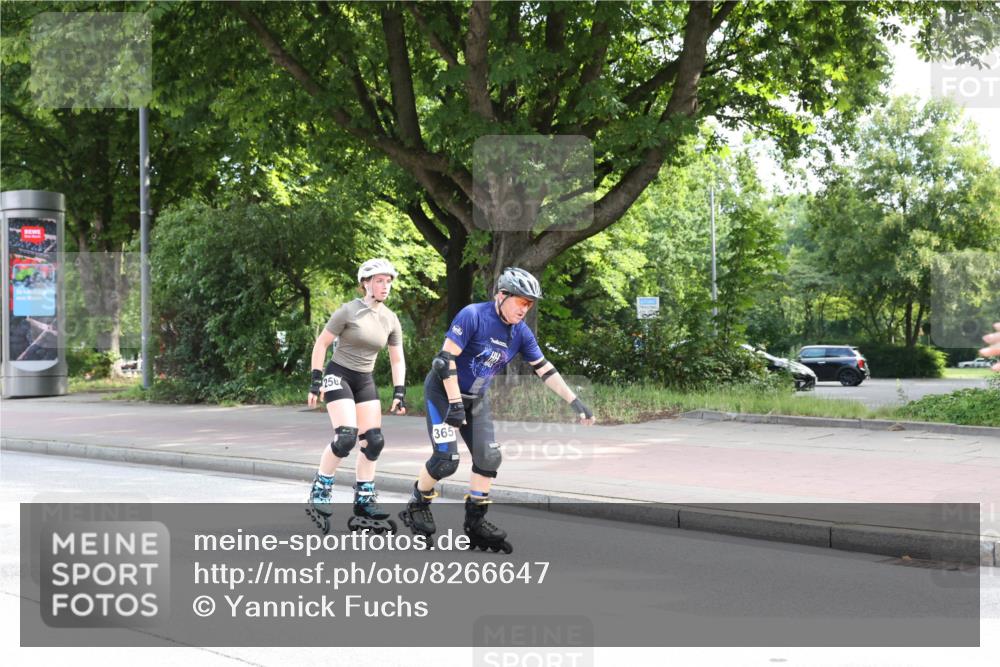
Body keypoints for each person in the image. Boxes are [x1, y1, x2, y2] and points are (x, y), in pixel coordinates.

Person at [398, 267, 596, 553]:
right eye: (521, 301)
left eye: (530, 304)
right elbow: (444, 361)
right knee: (446, 460)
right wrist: (454, 404)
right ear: (502, 295)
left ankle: (475, 523)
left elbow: (544, 369)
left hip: (476, 398)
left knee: (489, 457)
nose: (525, 309)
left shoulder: (520, 333)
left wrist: (575, 402)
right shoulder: (473, 315)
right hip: (443, 393)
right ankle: (418, 501)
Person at [305, 258, 407, 534]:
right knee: (346, 436)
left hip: (364, 379)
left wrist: (399, 391)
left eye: (388, 281)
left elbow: (397, 359)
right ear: (366, 283)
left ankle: (364, 500)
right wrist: (316, 381)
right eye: (379, 281)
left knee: (373, 441)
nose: (385, 286)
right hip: (338, 374)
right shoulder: (348, 311)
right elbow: (322, 343)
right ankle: (321, 488)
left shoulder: (390, 319)